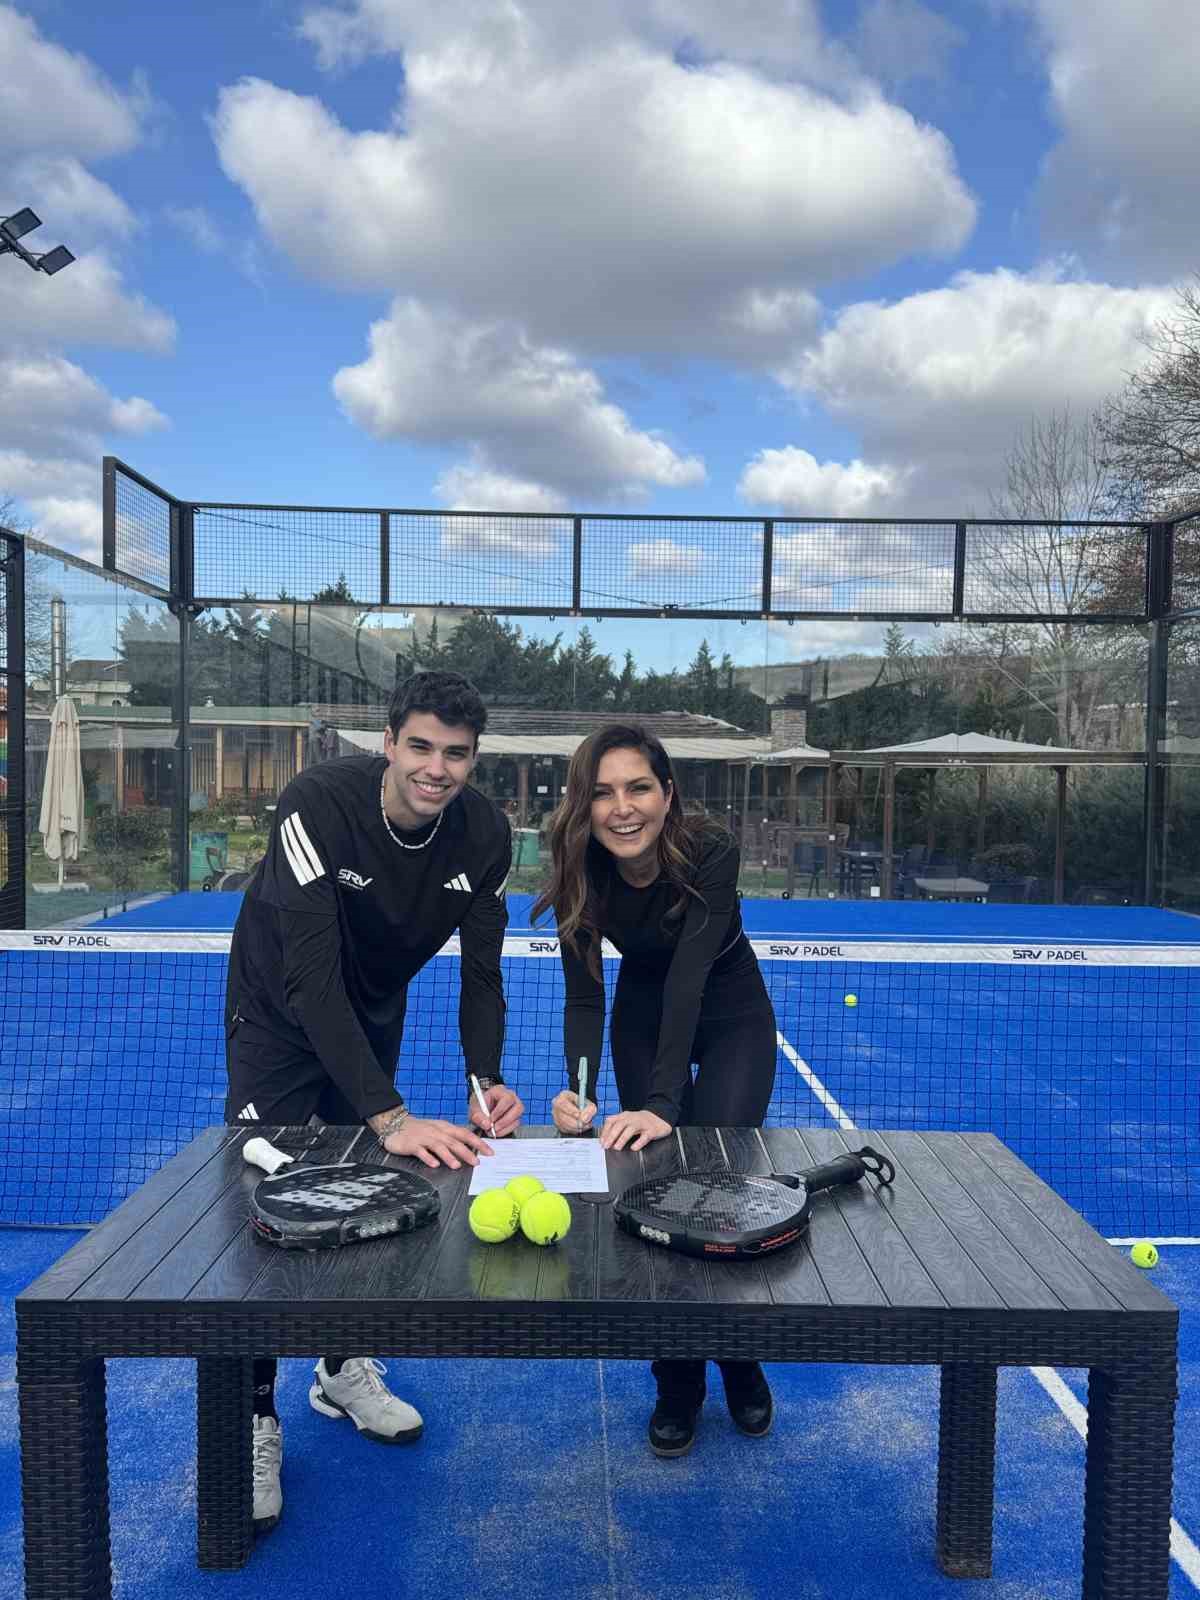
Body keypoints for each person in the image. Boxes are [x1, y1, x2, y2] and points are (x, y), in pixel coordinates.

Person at [225, 670, 524, 1534]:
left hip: (371, 1013)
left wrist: (484, 1082)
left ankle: (340, 1367)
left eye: (456, 754)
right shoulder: (314, 805)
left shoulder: (486, 835)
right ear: (388, 743)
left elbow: (482, 976)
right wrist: (391, 1115)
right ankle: (253, 1414)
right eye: (420, 746)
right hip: (279, 1012)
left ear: (473, 759)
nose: (436, 768)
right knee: (268, 1208)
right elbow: (311, 980)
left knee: (366, 1197)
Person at [532, 725, 778, 1458]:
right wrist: (579, 1092)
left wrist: (664, 1105)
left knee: (723, 1187)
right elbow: (585, 997)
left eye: (638, 787)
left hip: (730, 1011)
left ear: (668, 794)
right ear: (583, 805)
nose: (622, 808)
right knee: (661, 1193)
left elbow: (691, 977)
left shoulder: (710, 850)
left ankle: (739, 1356)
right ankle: (677, 1378)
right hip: (642, 1013)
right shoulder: (578, 862)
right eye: (602, 792)